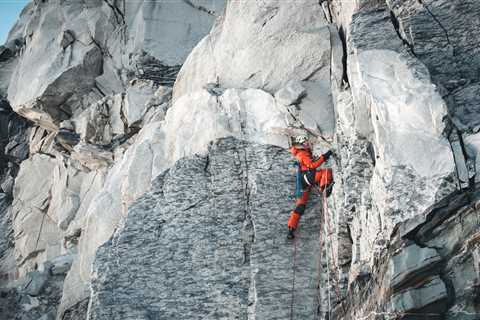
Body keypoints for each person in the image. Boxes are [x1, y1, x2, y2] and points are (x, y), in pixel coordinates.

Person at [287, 135, 334, 239]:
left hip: (303, 181)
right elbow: (312, 165)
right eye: (305, 143)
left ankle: (291, 229)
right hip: (308, 178)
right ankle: (324, 188)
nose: (308, 144)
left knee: (300, 206)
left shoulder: (300, 154)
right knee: (326, 172)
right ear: (301, 145)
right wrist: (325, 156)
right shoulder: (303, 154)